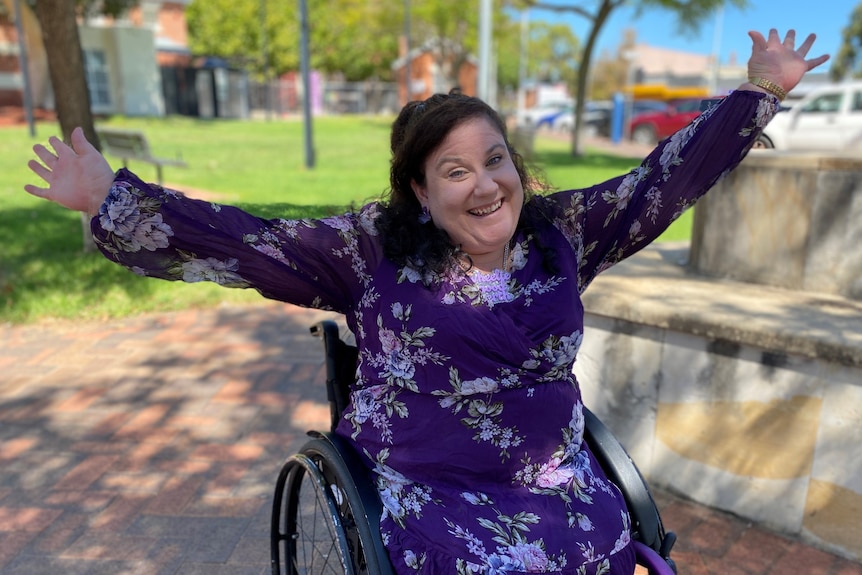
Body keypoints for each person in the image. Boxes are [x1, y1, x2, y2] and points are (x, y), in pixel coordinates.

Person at [25, 29, 827, 575]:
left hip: (552, 474)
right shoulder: (368, 249)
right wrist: (111, 199)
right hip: (428, 477)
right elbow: (245, 240)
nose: (486, 184)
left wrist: (760, 93)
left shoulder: (564, 232)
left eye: (496, 159)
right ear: (418, 189)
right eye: (455, 170)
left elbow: (665, 179)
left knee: (602, 541)